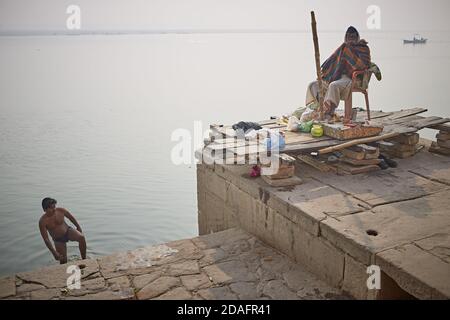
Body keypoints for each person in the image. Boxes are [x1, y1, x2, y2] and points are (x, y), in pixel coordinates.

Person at [305, 26, 371, 121]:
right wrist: (325, 74)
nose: (351, 38)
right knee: (314, 85)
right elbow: (333, 63)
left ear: (357, 37)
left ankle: (328, 112)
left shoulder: (363, 48)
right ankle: (319, 110)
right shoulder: (343, 48)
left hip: (353, 78)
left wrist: (350, 53)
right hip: (337, 76)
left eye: (353, 36)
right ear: (346, 37)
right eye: (349, 36)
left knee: (333, 85)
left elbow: (364, 65)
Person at [38, 197, 86, 264]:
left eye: (54, 206)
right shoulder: (42, 221)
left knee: (81, 237)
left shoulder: (61, 210)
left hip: (68, 231)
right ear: (44, 209)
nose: (54, 209)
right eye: (51, 208)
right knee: (63, 261)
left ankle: (84, 260)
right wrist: (54, 253)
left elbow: (71, 217)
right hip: (58, 239)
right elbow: (46, 239)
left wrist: (78, 227)